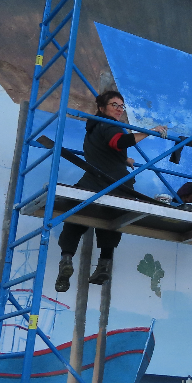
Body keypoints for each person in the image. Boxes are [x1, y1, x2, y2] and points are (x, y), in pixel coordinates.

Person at [55, 91, 167, 291]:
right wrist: (150, 131)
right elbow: (119, 142)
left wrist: (123, 159)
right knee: (110, 222)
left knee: (74, 218)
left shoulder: (92, 129)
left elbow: (102, 152)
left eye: (121, 106)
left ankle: (66, 259)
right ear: (101, 108)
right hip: (116, 183)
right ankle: (104, 264)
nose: (118, 109)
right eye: (114, 104)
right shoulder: (111, 125)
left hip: (92, 181)